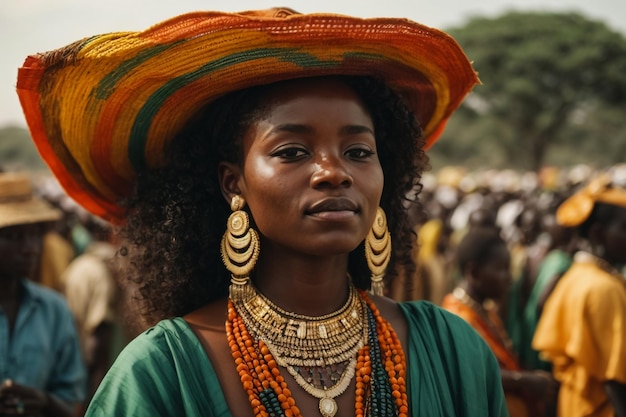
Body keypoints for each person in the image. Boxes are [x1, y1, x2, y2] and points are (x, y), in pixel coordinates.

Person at [16, 7, 508, 416]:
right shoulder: (162, 374)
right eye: (292, 151)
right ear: (235, 183)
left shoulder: (451, 352)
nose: (333, 172)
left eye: (359, 151)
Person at [533, 174, 626, 417]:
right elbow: (615, 379)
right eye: (625, 228)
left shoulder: (579, 273)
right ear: (598, 233)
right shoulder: (603, 287)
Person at [442, 227, 557, 417]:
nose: (509, 278)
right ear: (475, 272)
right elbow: (470, 373)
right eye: (502, 269)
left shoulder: (483, 310)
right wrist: (525, 381)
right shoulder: (457, 317)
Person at [0, 172, 86, 417]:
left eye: (35, 234)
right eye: (14, 237)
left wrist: (44, 401)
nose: (30, 248)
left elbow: (72, 403)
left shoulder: (54, 310)